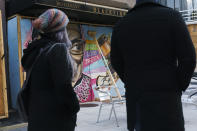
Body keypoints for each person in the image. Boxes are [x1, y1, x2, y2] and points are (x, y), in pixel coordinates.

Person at [110, 0, 196, 131]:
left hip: (137, 101)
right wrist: (178, 85)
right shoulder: (172, 17)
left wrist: (131, 81)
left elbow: (116, 61)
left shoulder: (121, 24)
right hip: (168, 101)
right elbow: (188, 58)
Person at [21, 9, 80, 131]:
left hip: (37, 116)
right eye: (65, 27)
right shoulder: (58, 49)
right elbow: (63, 86)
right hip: (55, 119)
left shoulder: (36, 49)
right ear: (59, 30)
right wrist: (74, 106)